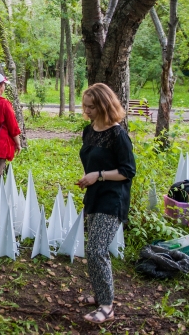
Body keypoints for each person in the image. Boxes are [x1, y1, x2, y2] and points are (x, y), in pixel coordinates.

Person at [75, 83, 136, 324]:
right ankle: (101, 295)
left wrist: (98, 175)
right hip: (95, 194)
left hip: (113, 197)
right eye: (85, 106)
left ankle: (108, 306)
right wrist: (89, 178)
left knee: (97, 250)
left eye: (91, 107)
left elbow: (128, 171)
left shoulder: (117, 134)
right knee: (93, 250)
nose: (87, 111)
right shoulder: (90, 130)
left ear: (103, 105)